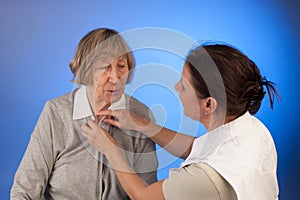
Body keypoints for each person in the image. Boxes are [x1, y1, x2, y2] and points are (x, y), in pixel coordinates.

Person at [81, 43, 280, 200]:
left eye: (184, 86)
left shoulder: (208, 178)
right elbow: (200, 149)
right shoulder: (252, 129)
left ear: (209, 105)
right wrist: (141, 124)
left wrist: (110, 149)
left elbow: (143, 196)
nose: (176, 87)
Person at [11, 28, 158, 199]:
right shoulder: (57, 112)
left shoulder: (140, 114)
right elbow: (24, 191)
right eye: (105, 67)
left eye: (121, 66)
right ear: (86, 70)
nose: (116, 77)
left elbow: (149, 193)